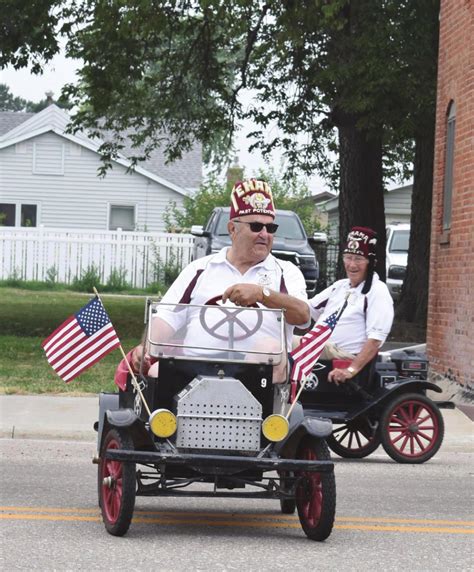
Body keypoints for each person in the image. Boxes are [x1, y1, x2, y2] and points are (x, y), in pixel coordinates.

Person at [115, 178, 310, 387]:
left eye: (270, 228)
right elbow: (166, 318)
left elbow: (302, 316)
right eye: (256, 226)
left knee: (270, 347)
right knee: (156, 371)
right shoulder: (199, 270)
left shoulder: (285, 272)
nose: (264, 234)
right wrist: (145, 348)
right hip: (197, 366)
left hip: (259, 375)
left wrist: (263, 295)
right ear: (232, 229)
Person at [308, 226, 394, 385]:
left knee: (277, 345)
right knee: (276, 340)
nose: (352, 265)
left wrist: (351, 370)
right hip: (321, 348)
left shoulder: (377, 291)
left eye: (359, 259)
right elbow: (306, 310)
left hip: (342, 355)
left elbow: (375, 340)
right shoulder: (340, 286)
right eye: (348, 257)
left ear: (371, 262)